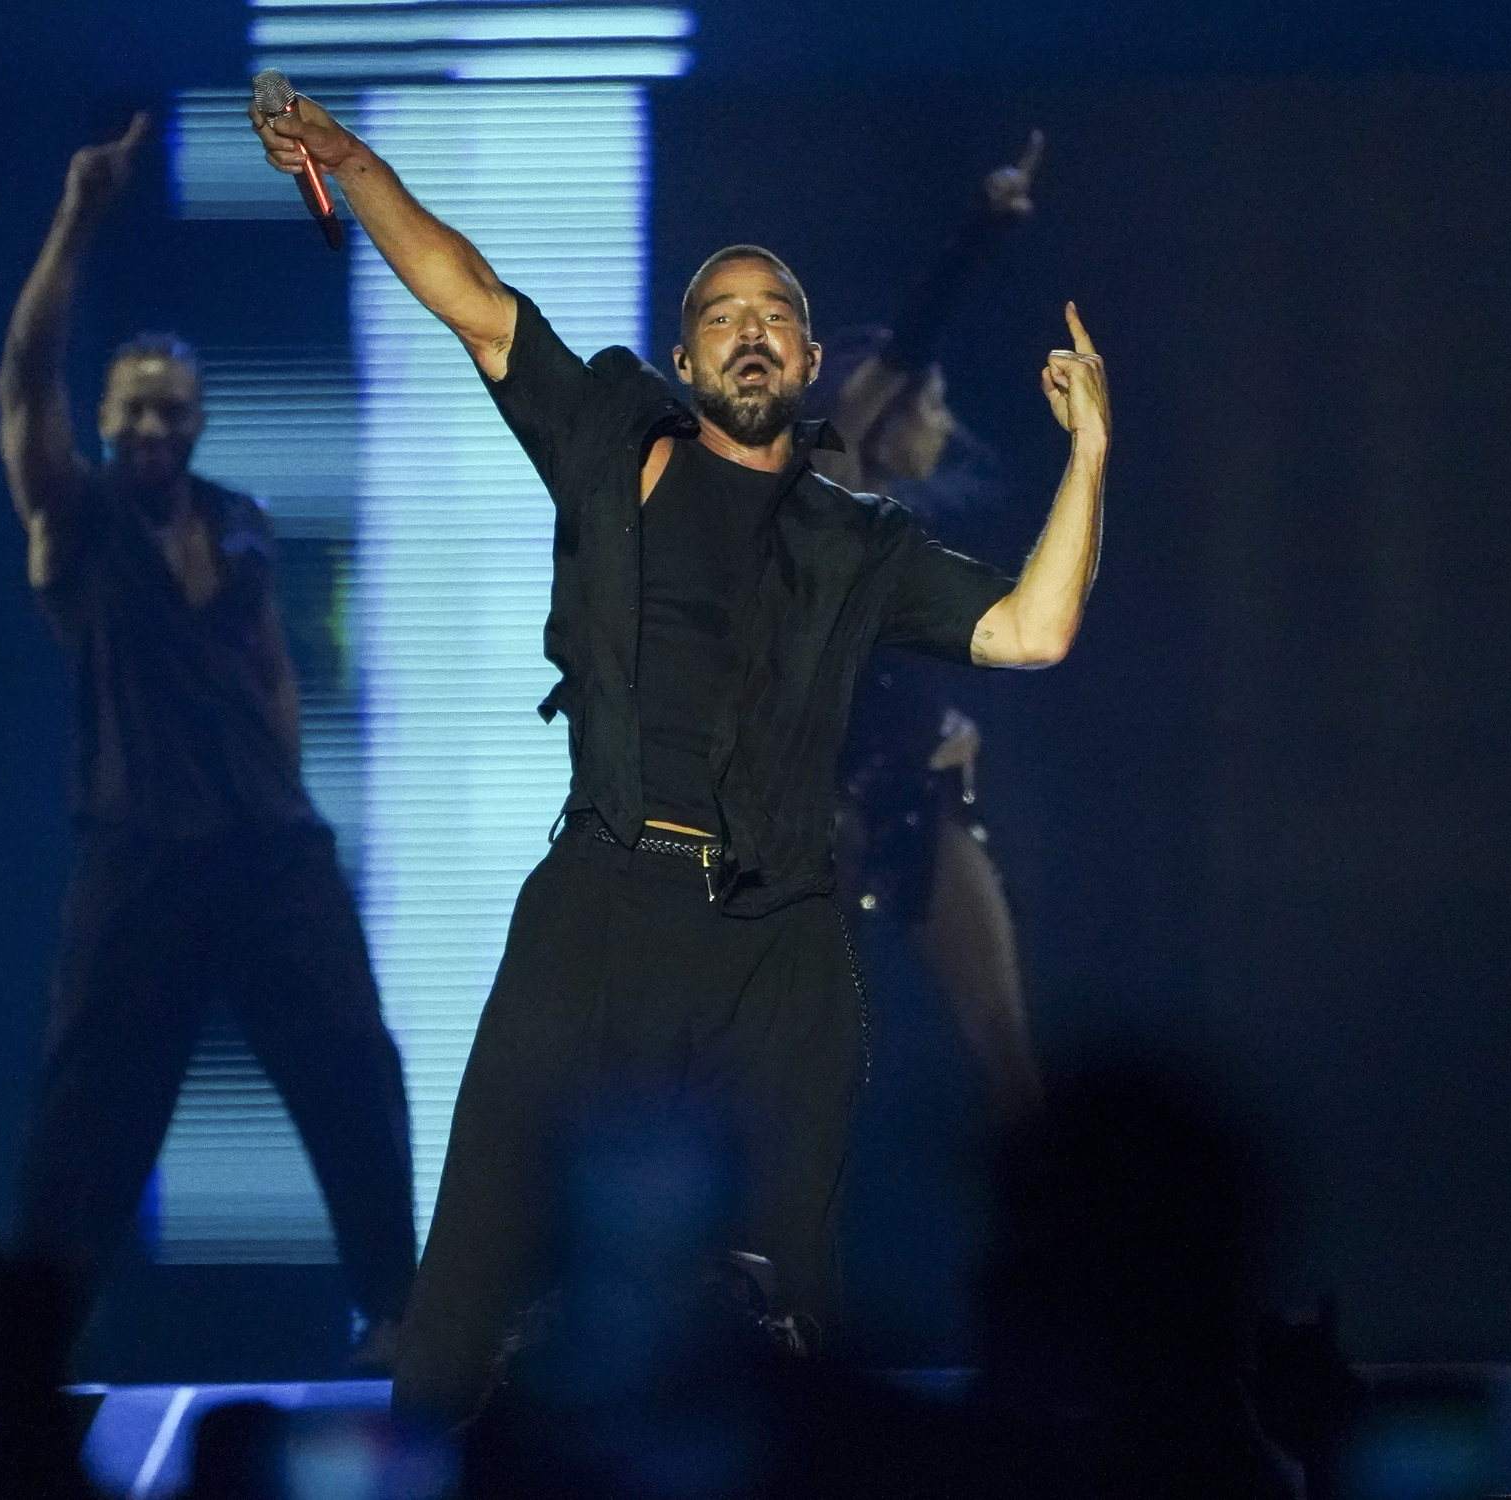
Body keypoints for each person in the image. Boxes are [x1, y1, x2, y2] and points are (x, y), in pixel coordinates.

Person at [250, 91, 1110, 1427]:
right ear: (684, 354)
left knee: (788, 1293)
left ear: (811, 359)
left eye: (773, 315)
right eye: (723, 313)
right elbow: (474, 299)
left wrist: (1090, 458)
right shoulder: (615, 442)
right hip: (601, 901)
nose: (750, 329)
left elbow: (1034, 627)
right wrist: (354, 163)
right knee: (472, 1269)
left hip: (779, 936)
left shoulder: (857, 540)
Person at [0, 113, 416, 1362]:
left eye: (172, 411)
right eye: (131, 411)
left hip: (267, 848)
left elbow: (272, 664)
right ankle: (31, 1343)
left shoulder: (238, 520)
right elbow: (23, 383)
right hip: (140, 850)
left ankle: (396, 1312)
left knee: (352, 1060)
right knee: (92, 1109)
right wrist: (79, 217)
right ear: (108, 420)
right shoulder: (76, 524)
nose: (152, 431)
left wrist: (282, 793)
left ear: (195, 419)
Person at [815, 134, 1049, 1121]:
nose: (945, 427)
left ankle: (1070, 1254)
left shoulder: (900, 530)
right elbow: (905, 347)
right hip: (815, 814)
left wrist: (947, 721)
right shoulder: (825, 486)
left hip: (915, 803)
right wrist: (979, 233)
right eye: (933, 407)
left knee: (1001, 1037)